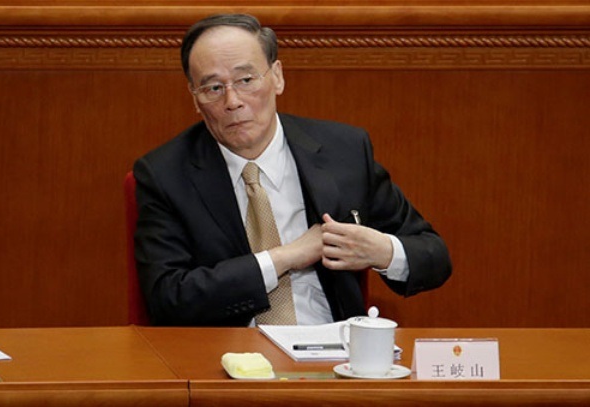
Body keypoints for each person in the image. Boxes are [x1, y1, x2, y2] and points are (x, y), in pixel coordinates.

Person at [133, 13, 451, 326]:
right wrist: (285, 257)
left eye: (246, 80)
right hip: (228, 352)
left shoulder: (344, 152)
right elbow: (167, 298)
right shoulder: (165, 174)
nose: (232, 101)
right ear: (195, 97)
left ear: (277, 77)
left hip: (334, 346)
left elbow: (434, 256)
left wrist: (382, 251)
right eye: (213, 88)